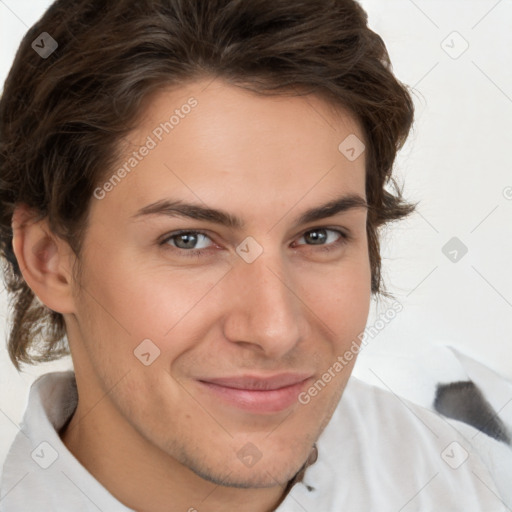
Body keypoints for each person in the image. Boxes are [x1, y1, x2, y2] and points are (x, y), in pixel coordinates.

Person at [0, 0, 508, 510]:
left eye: (318, 236)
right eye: (190, 240)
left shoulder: (477, 480)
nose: (274, 330)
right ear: (50, 260)